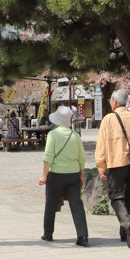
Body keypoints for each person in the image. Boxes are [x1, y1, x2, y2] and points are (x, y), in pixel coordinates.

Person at [95, 89, 130, 248]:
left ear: (113, 101)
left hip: (116, 162)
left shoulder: (108, 119)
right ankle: (125, 234)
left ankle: (128, 225)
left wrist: (101, 165)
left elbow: (101, 145)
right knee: (129, 197)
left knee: (115, 196)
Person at [38, 105, 89, 247]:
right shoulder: (76, 136)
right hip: (73, 175)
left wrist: (44, 175)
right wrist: (81, 176)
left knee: (51, 202)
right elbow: (82, 158)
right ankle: (82, 235)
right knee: (76, 204)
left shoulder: (53, 135)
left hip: (56, 175)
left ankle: (48, 233)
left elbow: (48, 157)